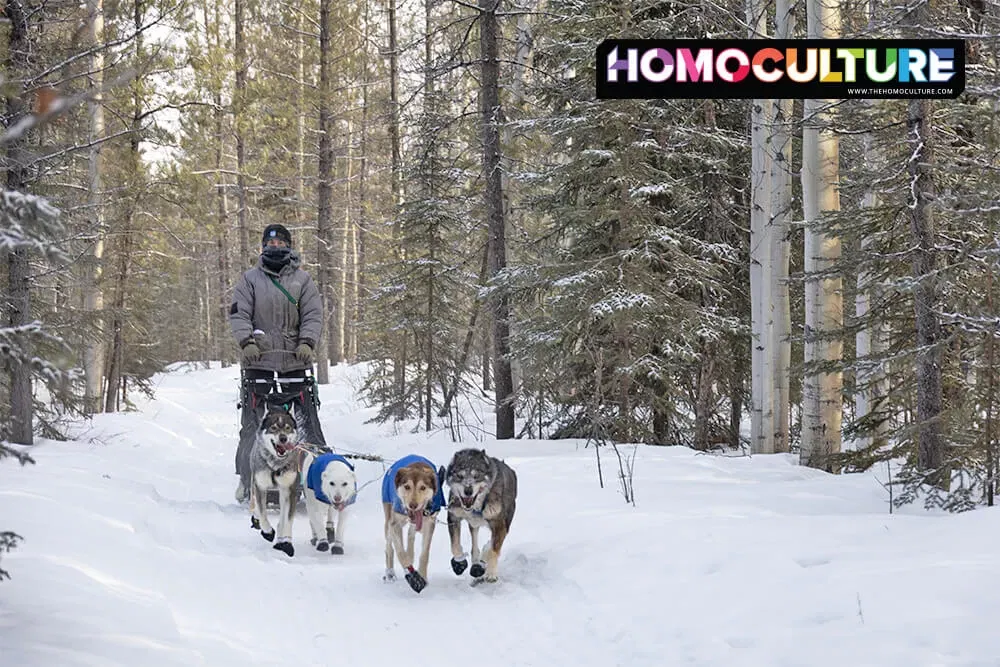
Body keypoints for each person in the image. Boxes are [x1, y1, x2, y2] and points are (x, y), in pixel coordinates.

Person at [230, 223, 326, 503]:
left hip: (295, 361)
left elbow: (313, 314)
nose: (275, 248)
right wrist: (246, 341)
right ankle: (248, 480)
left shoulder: (303, 281)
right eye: (270, 244)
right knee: (252, 426)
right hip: (258, 361)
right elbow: (239, 313)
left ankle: (313, 479)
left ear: (289, 246)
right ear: (262, 247)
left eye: (280, 243)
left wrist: (307, 342)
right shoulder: (249, 280)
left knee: (307, 422)